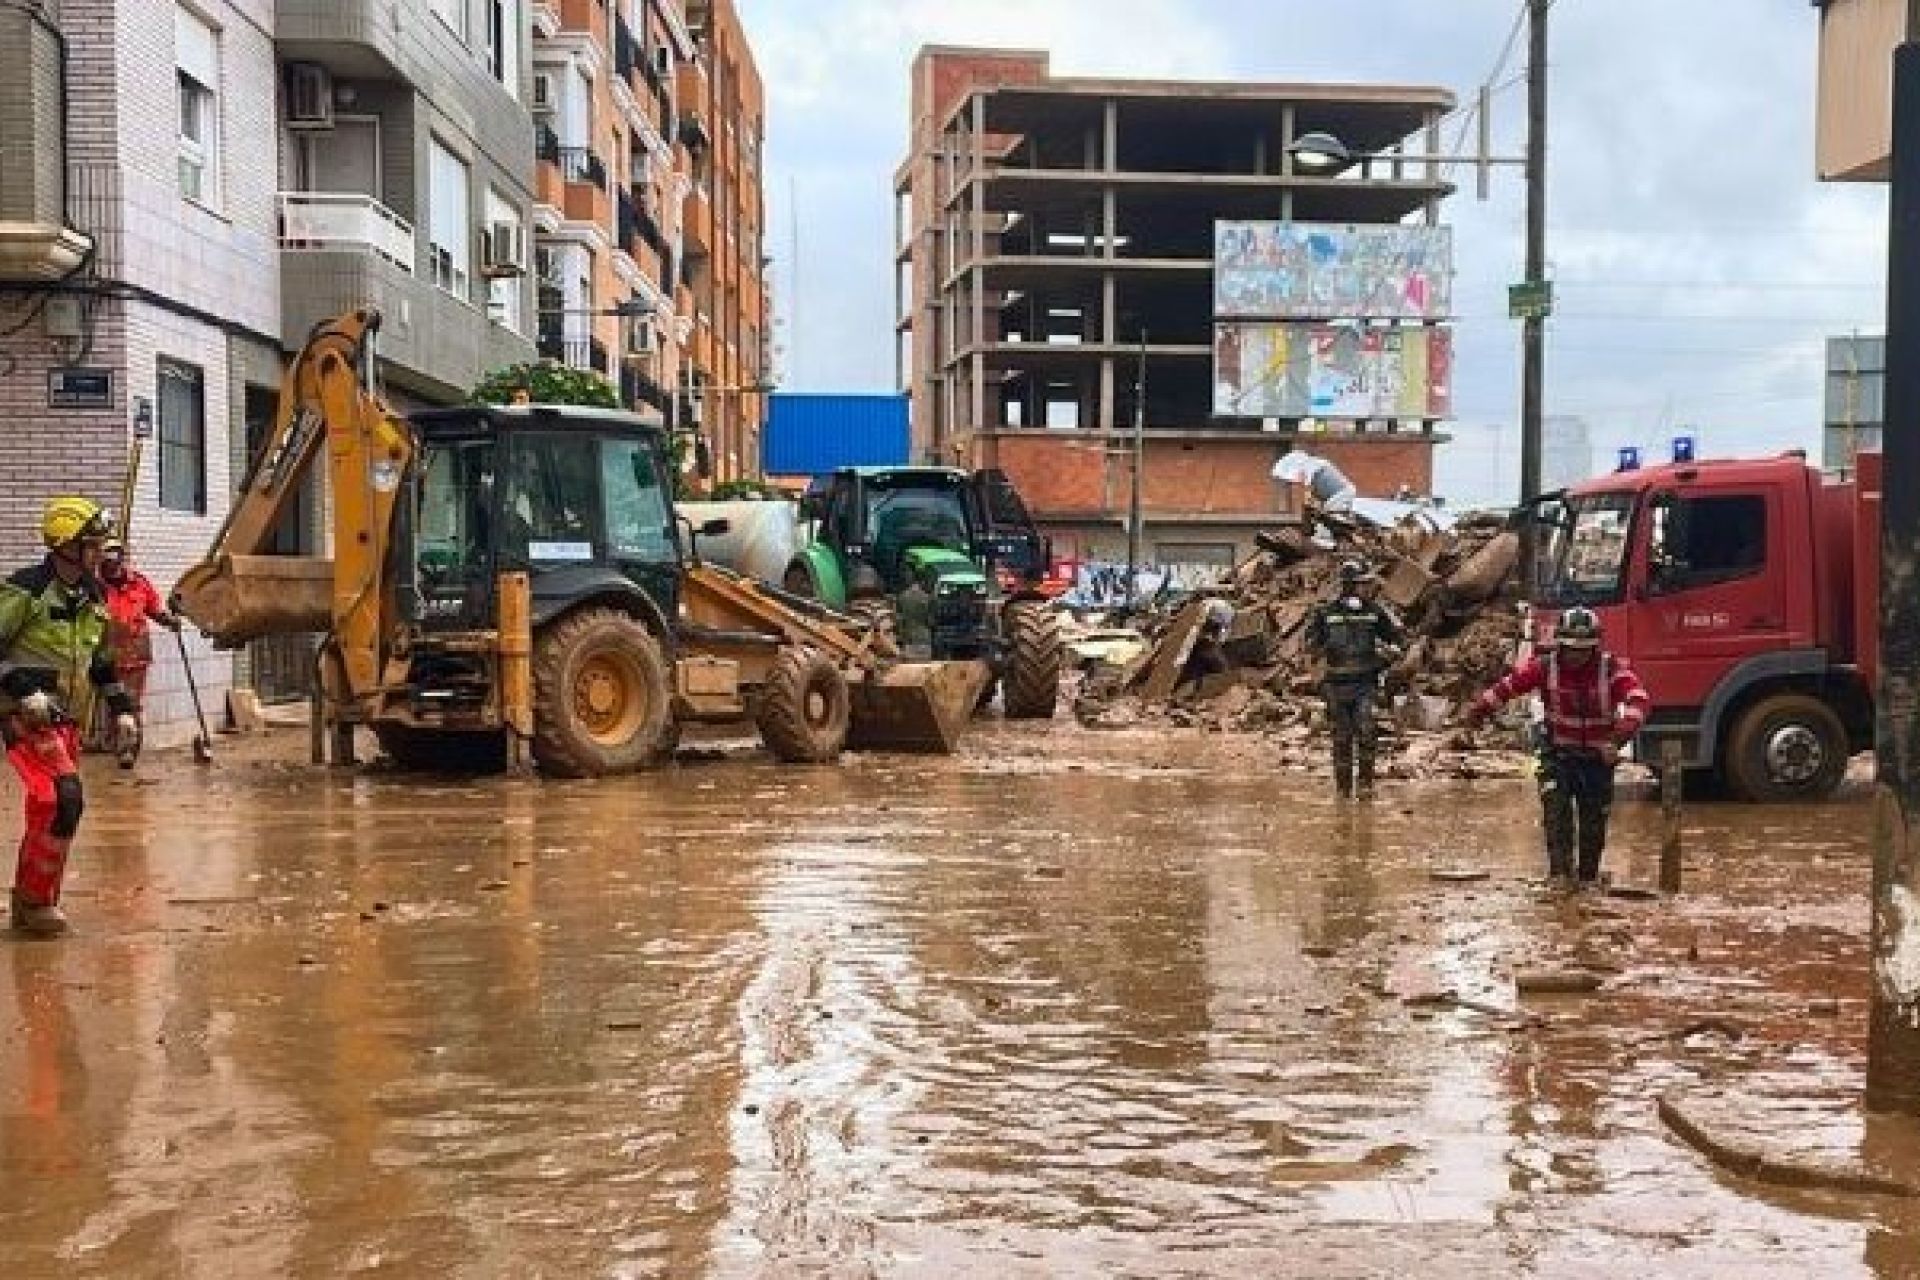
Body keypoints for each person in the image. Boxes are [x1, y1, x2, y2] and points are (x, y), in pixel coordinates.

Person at [0, 497, 139, 936]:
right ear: (64, 545)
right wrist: (25, 691)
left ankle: (32, 902)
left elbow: (101, 662)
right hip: (25, 714)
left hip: (68, 720)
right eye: (92, 545)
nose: (101, 553)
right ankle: (36, 906)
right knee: (61, 797)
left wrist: (122, 710)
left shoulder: (95, 596)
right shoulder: (25, 591)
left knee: (60, 807)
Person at [1465, 606, 1651, 890]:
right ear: (1560, 645)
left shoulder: (1610, 669)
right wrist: (1478, 710)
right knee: (1556, 816)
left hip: (1597, 758)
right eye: (1571, 650)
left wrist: (1618, 737)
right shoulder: (1544, 667)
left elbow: (1639, 699)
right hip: (1558, 754)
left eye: (1584, 650)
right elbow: (1509, 686)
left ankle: (1588, 879)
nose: (1577, 656)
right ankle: (1560, 879)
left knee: (1593, 825)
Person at [1305, 560, 1404, 799]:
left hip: (1365, 685)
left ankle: (1366, 787)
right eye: (1362, 583)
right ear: (1349, 586)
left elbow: (1397, 639)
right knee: (1341, 738)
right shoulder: (1326, 614)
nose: (1367, 588)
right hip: (1336, 686)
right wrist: (1318, 674)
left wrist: (1391, 652)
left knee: (1368, 732)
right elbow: (1311, 647)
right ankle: (1342, 791)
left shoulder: (1375, 612)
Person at [97, 538, 180, 765]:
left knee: (132, 704)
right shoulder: (94, 586)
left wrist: (170, 620)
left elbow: (154, 610)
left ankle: (129, 750)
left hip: (135, 655)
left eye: (116, 560)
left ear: (123, 560)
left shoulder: (140, 584)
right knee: (111, 703)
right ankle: (112, 744)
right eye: (107, 562)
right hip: (106, 656)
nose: (112, 566)